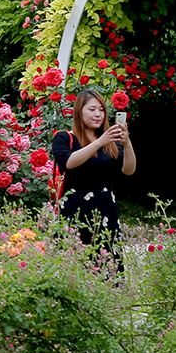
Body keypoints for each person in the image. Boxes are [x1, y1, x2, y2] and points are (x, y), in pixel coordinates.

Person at [49, 86, 136, 247]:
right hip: (74, 209)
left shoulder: (111, 142)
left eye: (102, 110)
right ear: (79, 112)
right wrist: (99, 142)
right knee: (72, 263)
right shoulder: (64, 137)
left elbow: (128, 170)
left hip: (105, 210)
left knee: (107, 264)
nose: (98, 114)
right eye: (92, 109)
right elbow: (68, 163)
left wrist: (127, 143)